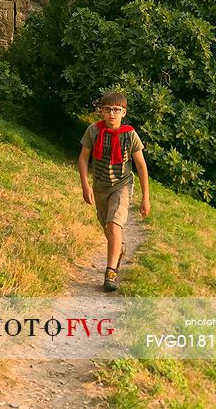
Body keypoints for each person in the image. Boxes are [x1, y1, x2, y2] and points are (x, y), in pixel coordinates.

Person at [78, 89, 150, 291]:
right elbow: (83, 159)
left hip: (122, 185)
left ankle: (110, 273)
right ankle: (118, 250)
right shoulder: (93, 131)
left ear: (124, 113)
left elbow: (141, 166)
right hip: (100, 185)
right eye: (108, 109)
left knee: (114, 224)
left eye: (117, 110)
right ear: (101, 111)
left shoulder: (130, 135)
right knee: (108, 229)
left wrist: (146, 198)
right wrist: (86, 185)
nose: (112, 113)